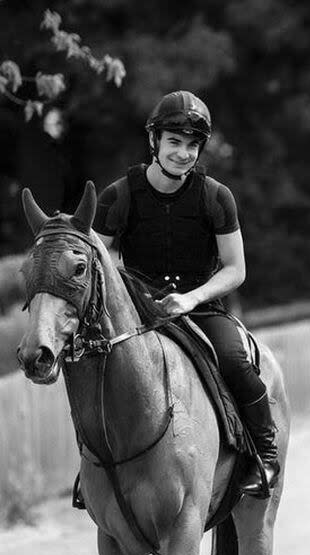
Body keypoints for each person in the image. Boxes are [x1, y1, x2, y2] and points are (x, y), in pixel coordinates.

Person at [90, 90, 279, 497]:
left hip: (202, 309)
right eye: (174, 142)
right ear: (154, 141)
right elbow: (96, 263)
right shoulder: (117, 196)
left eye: (192, 145)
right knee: (96, 368)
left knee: (235, 360)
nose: (183, 153)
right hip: (138, 314)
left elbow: (236, 269)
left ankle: (264, 455)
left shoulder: (216, 197)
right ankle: (92, 472)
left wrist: (191, 299)